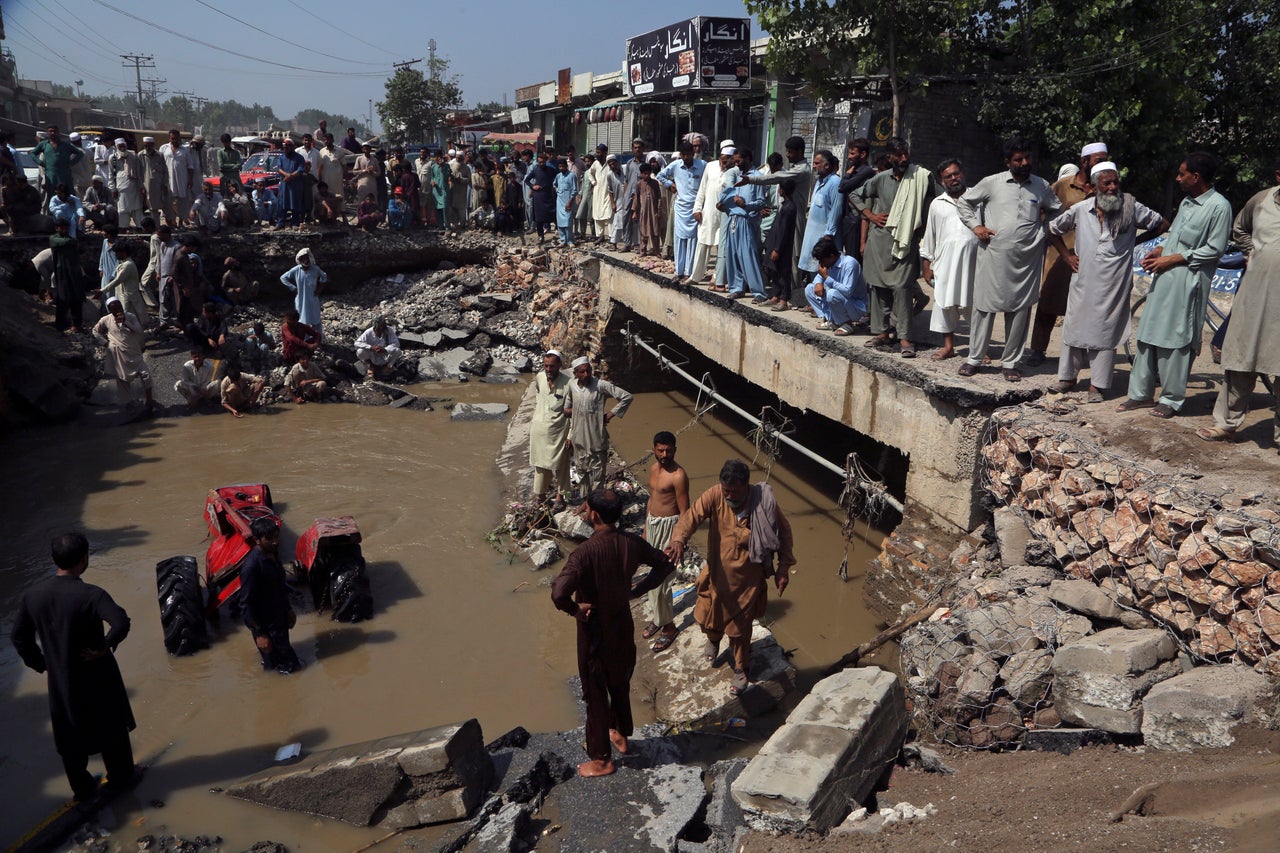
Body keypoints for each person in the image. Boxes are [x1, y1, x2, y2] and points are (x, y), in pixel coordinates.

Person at [550, 488, 677, 778]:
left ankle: (601, 759)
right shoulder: (631, 543)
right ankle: (619, 733)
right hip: (621, 621)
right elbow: (665, 564)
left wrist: (575, 610)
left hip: (594, 629)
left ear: (593, 515)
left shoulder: (583, 554)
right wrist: (637, 590)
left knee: (595, 690)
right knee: (619, 680)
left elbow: (558, 593)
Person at [11, 532, 137, 801]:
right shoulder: (92, 595)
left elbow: (19, 637)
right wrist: (105, 645)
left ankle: (82, 788)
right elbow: (121, 621)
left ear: (55, 560)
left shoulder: (33, 596)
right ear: (84, 560)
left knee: (69, 733)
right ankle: (120, 781)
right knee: (111, 730)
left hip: (62, 680)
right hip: (98, 676)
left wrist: (42, 663)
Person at [666, 460, 795, 696]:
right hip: (716, 575)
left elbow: (784, 532)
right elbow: (691, 516)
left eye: (735, 492)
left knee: (739, 631)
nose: (730, 496)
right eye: (727, 491)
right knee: (707, 617)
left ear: (746, 486)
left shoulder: (763, 501)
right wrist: (678, 540)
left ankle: (740, 668)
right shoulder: (715, 495)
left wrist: (784, 568)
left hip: (747, 581)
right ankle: (714, 640)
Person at [1121, 152, 1233, 417]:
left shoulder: (1219, 206)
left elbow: (1214, 249)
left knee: (1176, 339)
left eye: (1182, 174)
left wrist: (1174, 258)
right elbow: (1176, 236)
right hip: (1164, 278)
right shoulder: (1187, 203)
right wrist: (1161, 249)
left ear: (1196, 177)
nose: (1178, 178)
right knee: (1148, 334)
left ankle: (1170, 400)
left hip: (1188, 281)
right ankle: (1140, 394)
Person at [1047, 162, 1168, 401]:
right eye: (1107, 183)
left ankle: (1098, 386)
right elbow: (1052, 229)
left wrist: (1138, 241)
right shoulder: (1081, 210)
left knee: (1106, 331)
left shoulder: (1131, 208)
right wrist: (1066, 255)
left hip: (1115, 283)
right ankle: (1068, 379)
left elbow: (1162, 224)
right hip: (1083, 280)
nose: (1113, 187)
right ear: (1094, 187)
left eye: (1116, 182)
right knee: (1074, 325)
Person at [957, 136, 1063, 380]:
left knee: (1020, 310)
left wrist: (1044, 232)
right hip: (993, 255)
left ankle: (1010, 362)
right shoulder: (992, 183)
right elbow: (964, 203)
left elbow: (1057, 210)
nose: (1024, 162)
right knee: (984, 307)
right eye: (1018, 159)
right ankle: (974, 358)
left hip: (1027, 260)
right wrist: (976, 227)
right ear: (1008, 162)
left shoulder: (1041, 185)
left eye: (1027, 158)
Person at [1199, 158, 1280, 445]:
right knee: (1240, 361)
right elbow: (1240, 230)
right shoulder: (1261, 201)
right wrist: (1253, 253)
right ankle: (1226, 424)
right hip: (1255, 294)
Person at [1025, 142, 1111, 366]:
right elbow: (1044, 213)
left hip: (1091, 258)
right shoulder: (1063, 186)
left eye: (1105, 159)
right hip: (1059, 254)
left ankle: (1079, 353)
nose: (1103, 164)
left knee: (1084, 307)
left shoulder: (1106, 186)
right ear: (1084, 162)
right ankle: (1038, 349)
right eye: (1098, 160)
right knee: (1048, 303)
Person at [851, 137, 937, 358]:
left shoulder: (921, 177)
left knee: (902, 290)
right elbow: (854, 194)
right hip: (879, 243)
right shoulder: (880, 179)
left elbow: (940, 200)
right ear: (889, 157)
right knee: (879, 288)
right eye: (898, 154)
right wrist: (870, 215)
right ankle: (882, 333)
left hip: (907, 243)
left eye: (905, 153)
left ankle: (904, 337)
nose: (904, 158)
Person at [920, 159, 980, 360]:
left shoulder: (978, 199)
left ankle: (979, 348)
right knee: (945, 304)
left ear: (963, 173)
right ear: (942, 181)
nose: (954, 178)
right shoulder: (937, 204)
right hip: (945, 263)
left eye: (956, 174)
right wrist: (926, 265)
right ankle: (948, 346)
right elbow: (930, 236)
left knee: (976, 306)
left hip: (975, 263)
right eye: (949, 176)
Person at [738, 136, 814, 294]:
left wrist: (751, 180)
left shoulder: (802, 170)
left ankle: (791, 291)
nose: (788, 155)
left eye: (791, 152)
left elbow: (776, 177)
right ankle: (780, 290)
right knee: (777, 252)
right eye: (787, 151)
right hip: (783, 213)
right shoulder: (795, 168)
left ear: (800, 152)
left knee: (792, 254)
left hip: (795, 216)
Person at [641, 432, 690, 653]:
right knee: (652, 577)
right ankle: (659, 618)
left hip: (669, 529)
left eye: (669, 450)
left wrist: (677, 540)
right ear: (653, 450)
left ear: (675, 450)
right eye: (660, 450)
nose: (664, 454)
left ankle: (669, 627)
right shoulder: (653, 469)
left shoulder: (678, 476)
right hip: (652, 525)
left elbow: (685, 512)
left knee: (663, 581)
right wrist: (645, 528)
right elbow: (652, 499)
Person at [238, 517, 300, 674]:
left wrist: (288, 609)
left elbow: (279, 587)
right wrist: (260, 634)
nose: (275, 542)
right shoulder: (251, 567)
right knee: (289, 668)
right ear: (257, 540)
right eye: (269, 538)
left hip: (279, 619)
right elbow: (246, 603)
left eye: (276, 537)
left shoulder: (273, 555)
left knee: (278, 665)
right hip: (267, 626)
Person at [565, 356, 633, 497]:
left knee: (597, 474)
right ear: (575, 374)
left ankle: (596, 504)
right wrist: (582, 413)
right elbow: (567, 409)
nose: (586, 374)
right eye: (582, 372)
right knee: (582, 472)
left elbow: (626, 397)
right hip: (579, 438)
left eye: (588, 371)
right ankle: (586, 501)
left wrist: (609, 414)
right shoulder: (572, 386)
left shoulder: (600, 385)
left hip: (596, 438)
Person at [717, 149, 768, 301]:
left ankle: (759, 292)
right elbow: (731, 199)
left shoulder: (757, 178)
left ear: (748, 158)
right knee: (733, 256)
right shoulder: (738, 177)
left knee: (748, 256)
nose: (736, 163)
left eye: (738, 161)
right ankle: (737, 288)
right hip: (733, 219)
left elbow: (761, 202)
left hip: (747, 221)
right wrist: (723, 207)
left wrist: (745, 205)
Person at [92, 296, 155, 410]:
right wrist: (105, 343)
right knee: (122, 380)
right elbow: (95, 331)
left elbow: (139, 330)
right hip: (118, 354)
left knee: (146, 375)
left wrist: (125, 322)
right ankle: (129, 404)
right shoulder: (106, 320)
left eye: (119, 307)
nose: (118, 311)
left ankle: (150, 400)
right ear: (110, 310)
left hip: (134, 352)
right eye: (114, 309)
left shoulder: (130, 316)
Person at [656, 142, 707, 283]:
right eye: (682, 154)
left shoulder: (702, 165)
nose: (685, 157)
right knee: (679, 240)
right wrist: (669, 184)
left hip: (695, 208)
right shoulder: (676, 165)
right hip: (680, 208)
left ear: (693, 153)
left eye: (687, 154)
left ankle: (689, 273)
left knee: (692, 241)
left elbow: (708, 182)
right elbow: (660, 175)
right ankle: (679, 272)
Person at [530, 349, 573, 509]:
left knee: (561, 465)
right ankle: (540, 496)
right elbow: (540, 395)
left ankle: (561, 497)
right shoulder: (539, 378)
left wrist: (571, 435)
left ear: (560, 365)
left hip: (559, 431)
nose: (548, 370)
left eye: (552, 366)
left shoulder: (569, 384)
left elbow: (573, 412)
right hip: (539, 430)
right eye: (546, 366)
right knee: (540, 465)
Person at [689, 140, 734, 285]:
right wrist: (697, 208)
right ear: (720, 156)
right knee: (702, 243)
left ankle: (717, 276)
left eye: (728, 161)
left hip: (725, 215)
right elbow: (702, 190)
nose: (724, 163)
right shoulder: (710, 166)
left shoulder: (734, 171)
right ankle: (695, 276)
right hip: (708, 212)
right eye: (723, 160)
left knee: (722, 247)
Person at [805, 235, 869, 335]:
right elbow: (819, 277)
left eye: (822, 260)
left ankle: (847, 323)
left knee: (832, 293)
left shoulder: (850, 263)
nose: (821, 264)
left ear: (832, 256)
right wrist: (818, 283)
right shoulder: (828, 263)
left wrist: (827, 278)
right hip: (840, 302)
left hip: (855, 306)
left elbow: (847, 291)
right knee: (809, 289)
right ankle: (832, 320)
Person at [31, 125, 84, 212]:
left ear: (58, 133)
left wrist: (71, 163)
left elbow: (80, 153)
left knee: (69, 195)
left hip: (65, 175)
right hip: (51, 176)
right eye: (50, 131)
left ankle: (72, 215)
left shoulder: (65, 145)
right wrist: (40, 162)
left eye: (55, 131)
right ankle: (53, 217)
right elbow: (33, 154)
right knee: (52, 196)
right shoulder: (44, 144)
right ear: (47, 133)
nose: (53, 133)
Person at [764, 177, 798, 310]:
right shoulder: (786, 205)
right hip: (777, 242)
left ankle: (784, 299)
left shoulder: (789, 208)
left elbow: (784, 230)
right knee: (775, 270)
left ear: (781, 190)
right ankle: (775, 296)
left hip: (783, 246)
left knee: (784, 272)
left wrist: (777, 249)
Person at [838, 138, 875, 260]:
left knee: (853, 259)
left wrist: (847, 175)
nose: (849, 157)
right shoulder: (855, 171)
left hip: (856, 221)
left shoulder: (866, 171)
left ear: (863, 154)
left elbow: (842, 187)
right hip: (848, 220)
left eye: (852, 153)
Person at [50, 218, 87, 333]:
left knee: (77, 298)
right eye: (62, 228)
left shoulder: (71, 240)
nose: (65, 230)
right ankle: (60, 324)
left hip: (75, 273)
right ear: (57, 228)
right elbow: (63, 242)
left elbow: (81, 250)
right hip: (62, 274)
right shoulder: (54, 238)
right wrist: (74, 242)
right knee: (63, 299)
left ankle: (77, 324)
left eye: (66, 228)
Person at [98, 241, 148, 323]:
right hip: (124, 295)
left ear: (123, 253)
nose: (115, 255)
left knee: (130, 318)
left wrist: (102, 291)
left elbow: (117, 280)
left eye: (117, 253)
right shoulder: (123, 264)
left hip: (128, 296)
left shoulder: (127, 265)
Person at [280, 248, 327, 335]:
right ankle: (303, 339)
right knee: (301, 319)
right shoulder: (296, 270)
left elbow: (324, 276)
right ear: (300, 260)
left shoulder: (315, 269)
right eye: (303, 258)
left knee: (315, 319)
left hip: (312, 299)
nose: (306, 260)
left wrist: (320, 288)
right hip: (301, 299)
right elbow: (283, 278)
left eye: (307, 258)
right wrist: (293, 288)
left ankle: (317, 339)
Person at [160, 130, 195, 228]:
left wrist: (191, 180)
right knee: (169, 202)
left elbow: (190, 166)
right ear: (169, 138)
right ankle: (171, 222)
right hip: (168, 180)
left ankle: (181, 221)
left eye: (176, 138)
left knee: (182, 202)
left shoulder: (185, 150)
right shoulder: (163, 148)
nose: (174, 140)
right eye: (172, 138)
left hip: (182, 179)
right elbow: (159, 164)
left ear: (179, 138)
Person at [631, 162, 665, 257]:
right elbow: (636, 198)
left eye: (648, 173)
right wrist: (634, 212)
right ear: (641, 174)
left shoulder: (655, 183)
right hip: (644, 211)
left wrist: (659, 210)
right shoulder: (639, 184)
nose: (646, 175)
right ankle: (643, 250)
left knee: (655, 231)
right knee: (643, 231)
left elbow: (659, 197)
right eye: (644, 173)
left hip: (654, 211)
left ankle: (656, 250)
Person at [526, 150, 558, 243]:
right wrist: (533, 186)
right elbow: (527, 180)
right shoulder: (535, 169)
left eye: (543, 162)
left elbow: (558, 177)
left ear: (546, 161)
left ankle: (558, 230)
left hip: (548, 195)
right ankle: (541, 236)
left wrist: (555, 187)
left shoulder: (551, 169)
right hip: (538, 197)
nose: (541, 163)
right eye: (539, 162)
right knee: (539, 218)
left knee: (553, 214)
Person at [274, 140, 307, 228]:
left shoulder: (299, 157)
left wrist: (291, 176)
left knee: (295, 202)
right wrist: (287, 175)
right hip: (284, 183)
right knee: (282, 203)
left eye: (287, 147)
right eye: (284, 147)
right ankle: (280, 223)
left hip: (295, 184)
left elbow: (301, 169)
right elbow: (278, 168)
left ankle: (295, 223)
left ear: (292, 147)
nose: (285, 149)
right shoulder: (281, 157)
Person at [138, 137, 168, 225]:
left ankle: (163, 225)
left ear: (153, 145)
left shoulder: (159, 155)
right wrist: (141, 186)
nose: (147, 147)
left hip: (159, 185)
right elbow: (139, 173)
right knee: (149, 208)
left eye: (149, 145)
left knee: (161, 206)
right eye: (145, 146)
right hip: (146, 186)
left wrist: (165, 184)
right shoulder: (140, 155)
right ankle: (151, 226)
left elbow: (165, 171)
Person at [552, 158, 580, 247]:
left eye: (563, 166)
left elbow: (575, 190)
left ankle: (570, 240)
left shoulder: (572, 176)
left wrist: (569, 202)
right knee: (560, 222)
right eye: (559, 167)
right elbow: (554, 184)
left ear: (566, 166)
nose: (561, 168)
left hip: (569, 202)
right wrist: (557, 191)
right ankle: (563, 240)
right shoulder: (558, 176)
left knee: (568, 222)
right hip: (559, 202)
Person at [447, 148, 471, 234]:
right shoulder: (451, 165)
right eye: (457, 157)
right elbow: (448, 175)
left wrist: (461, 180)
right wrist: (452, 178)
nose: (457, 158)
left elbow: (468, 179)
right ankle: (454, 223)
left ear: (462, 158)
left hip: (462, 191)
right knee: (452, 207)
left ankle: (462, 224)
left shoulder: (466, 168)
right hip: (453, 189)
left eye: (459, 157)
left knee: (461, 208)